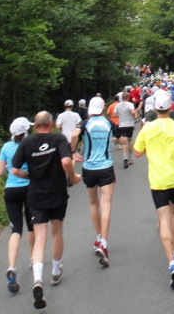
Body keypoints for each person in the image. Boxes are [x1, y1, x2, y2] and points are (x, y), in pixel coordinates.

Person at [11, 111, 80, 310]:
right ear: (51, 123)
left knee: (40, 238)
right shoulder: (58, 138)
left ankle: (38, 280)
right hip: (56, 193)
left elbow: (14, 170)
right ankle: (56, 271)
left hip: (36, 195)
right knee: (57, 231)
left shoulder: (26, 143)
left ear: (35, 126)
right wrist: (72, 178)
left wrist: (30, 177)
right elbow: (66, 161)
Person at [133, 90, 174, 289]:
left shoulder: (147, 128)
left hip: (157, 179)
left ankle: (172, 264)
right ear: (170, 107)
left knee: (163, 218)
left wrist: (151, 143)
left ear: (155, 107)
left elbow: (137, 153)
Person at [71, 96, 116, 268]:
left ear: (90, 109)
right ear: (103, 108)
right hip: (106, 166)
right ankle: (104, 242)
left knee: (93, 202)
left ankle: (98, 237)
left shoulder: (84, 123)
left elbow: (74, 135)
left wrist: (73, 151)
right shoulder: (108, 123)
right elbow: (118, 137)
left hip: (89, 167)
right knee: (106, 203)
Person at [0, 116, 36, 294]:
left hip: (11, 190)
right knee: (32, 226)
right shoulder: (29, 144)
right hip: (28, 189)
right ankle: (33, 259)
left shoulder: (6, 147)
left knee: (15, 230)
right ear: (25, 131)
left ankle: (12, 267)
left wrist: (7, 169)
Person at [114, 90, 138, 168]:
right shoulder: (130, 104)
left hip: (122, 124)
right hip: (129, 124)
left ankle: (124, 157)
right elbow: (133, 112)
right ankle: (130, 157)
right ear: (128, 97)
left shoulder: (118, 105)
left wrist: (120, 115)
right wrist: (133, 117)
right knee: (130, 140)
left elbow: (115, 115)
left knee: (123, 142)